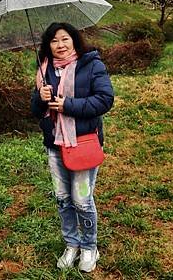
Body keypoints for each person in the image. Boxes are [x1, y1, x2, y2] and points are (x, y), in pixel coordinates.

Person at [31, 22, 114, 273]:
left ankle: (90, 247)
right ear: (48, 45)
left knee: (82, 200)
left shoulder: (91, 65)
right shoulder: (44, 70)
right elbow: (36, 112)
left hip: (82, 143)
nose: (60, 45)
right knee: (63, 199)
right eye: (54, 41)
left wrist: (68, 105)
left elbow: (104, 99)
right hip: (55, 145)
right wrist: (40, 99)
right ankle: (71, 244)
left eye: (65, 39)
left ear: (74, 40)